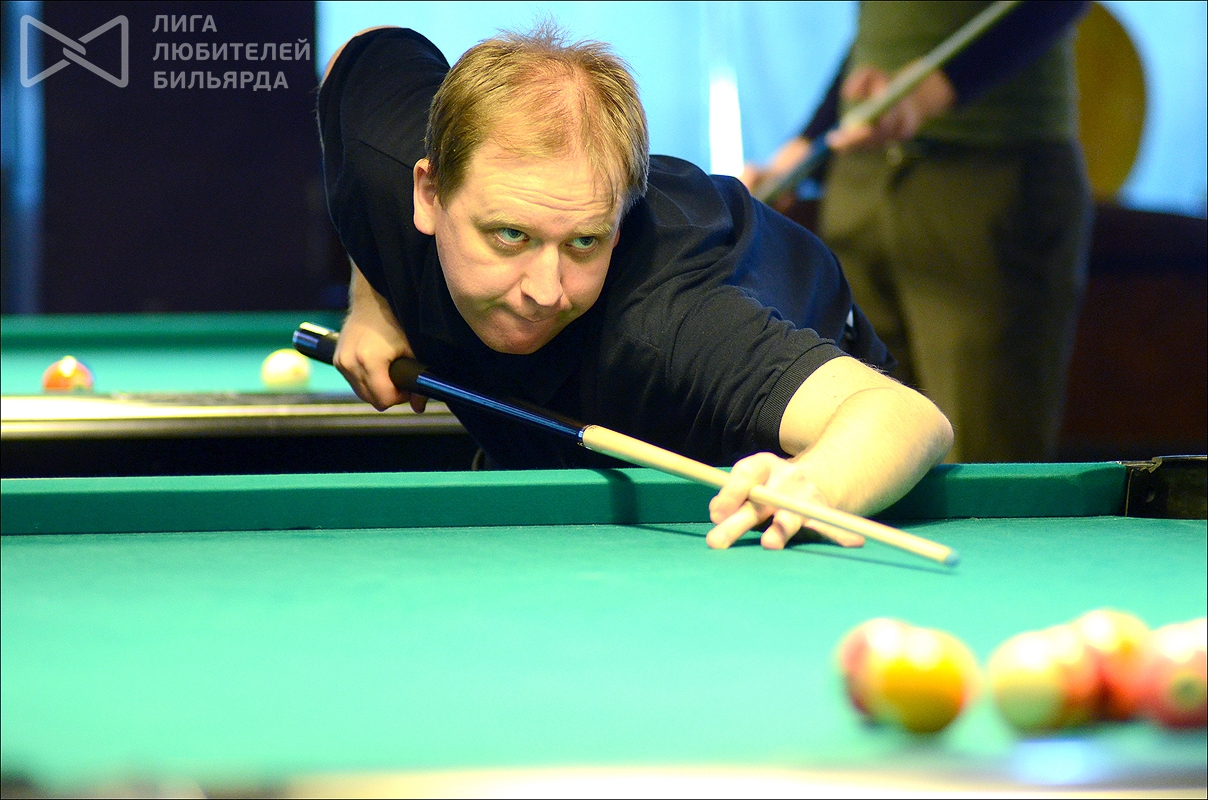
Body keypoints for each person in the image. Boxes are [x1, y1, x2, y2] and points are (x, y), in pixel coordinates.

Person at [318, 24, 952, 550]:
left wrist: (816, 483)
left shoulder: (674, 321)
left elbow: (906, 416)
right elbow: (361, 50)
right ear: (427, 195)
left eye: (583, 242)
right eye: (510, 236)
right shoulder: (383, 159)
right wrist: (373, 296)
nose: (546, 290)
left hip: (755, 458)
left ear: (618, 223)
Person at [744, 1, 1092, 463]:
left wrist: (933, 91)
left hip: (989, 177)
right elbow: (889, 28)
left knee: (980, 456)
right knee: (859, 449)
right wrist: (806, 143)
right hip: (860, 180)